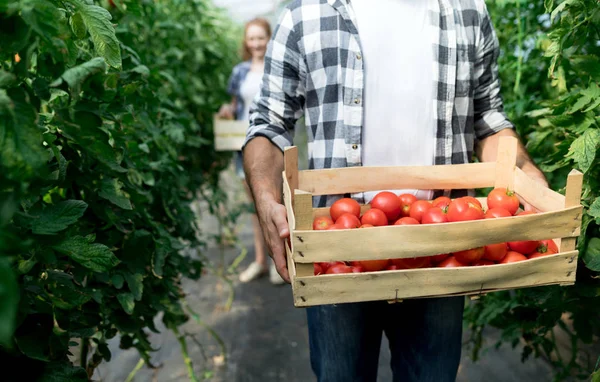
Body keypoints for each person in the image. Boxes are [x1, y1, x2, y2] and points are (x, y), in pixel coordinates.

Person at [242, 1, 548, 381]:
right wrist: (266, 198)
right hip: (337, 253)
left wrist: (527, 174)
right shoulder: (305, 14)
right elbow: (268, 124)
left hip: (441, 252)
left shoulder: (467, 11)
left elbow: (487, 119)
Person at [217, 18, 283, 285]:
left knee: (276, 202)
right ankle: (260, 261)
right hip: (243, 144)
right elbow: (235, 105)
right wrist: (226, 112)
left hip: (273, 143)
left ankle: (280, 260)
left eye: (260, 38)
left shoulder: (278, 68)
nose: (256, 43)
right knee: (256, 206)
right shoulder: (240, 72)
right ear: (246, 42)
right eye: (251, 39)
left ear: (269, 39)